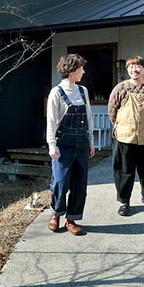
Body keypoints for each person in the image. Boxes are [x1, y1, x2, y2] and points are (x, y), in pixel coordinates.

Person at [46, 53, 96, 235]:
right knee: (60, 182)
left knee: (79, 183)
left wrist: (91, 141)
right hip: (63, 144)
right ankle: (55, 214)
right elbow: (51, 122)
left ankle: (71, 219)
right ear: (72, 70)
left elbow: (89, 118)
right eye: (81, 68)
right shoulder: (56, 92)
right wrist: (51, 145)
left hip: (81, 143)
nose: (83, 71)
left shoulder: (83, 91)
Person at [108, 55, 144, 216]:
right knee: (124, 170)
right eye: (131, 66)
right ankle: (124, 202)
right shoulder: (120, 88)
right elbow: (112, 111)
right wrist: (124, 126)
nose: (134, 69)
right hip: (125, 137)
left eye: (138, 66)